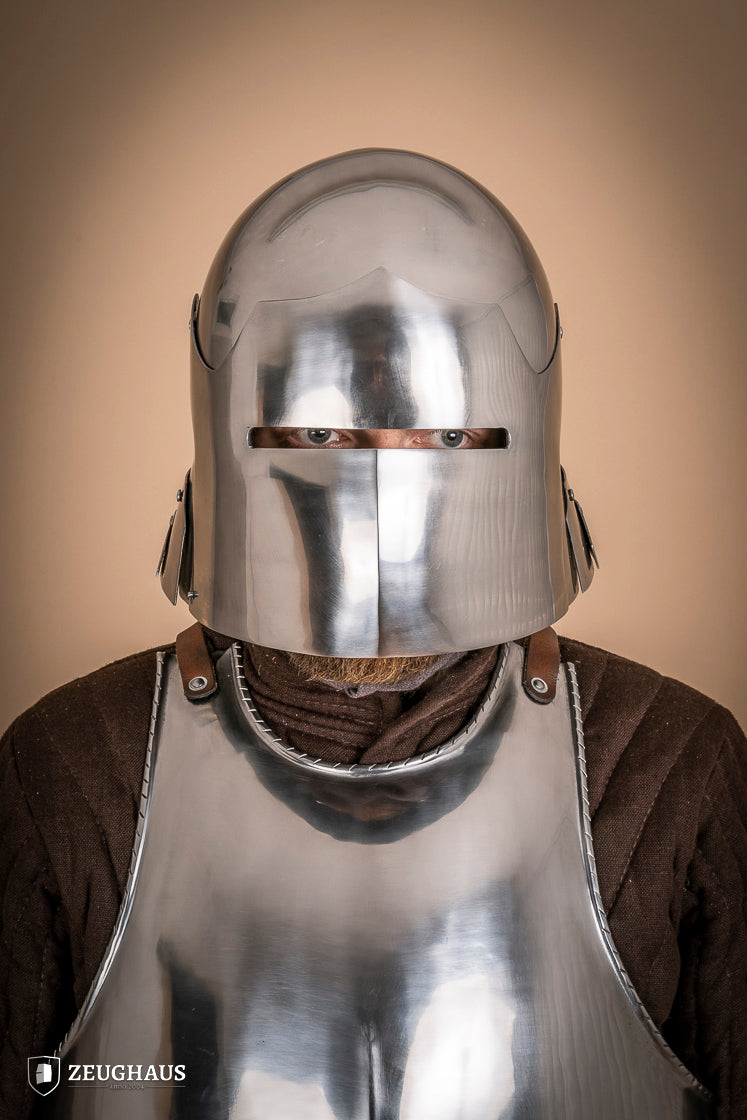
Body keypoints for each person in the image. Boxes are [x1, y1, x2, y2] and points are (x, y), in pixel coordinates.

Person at [1, 149, 744, 1119]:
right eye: (317, 434)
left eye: (442, 435)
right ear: (233, 427)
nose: (380, 486)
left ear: (520, 426)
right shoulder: (66, 774)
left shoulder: (675, 767)